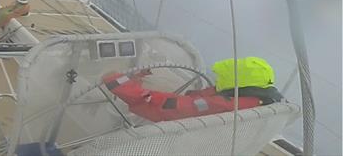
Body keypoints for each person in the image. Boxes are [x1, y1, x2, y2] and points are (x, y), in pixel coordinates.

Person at [102, 57, 283, 122]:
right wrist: (138, 78)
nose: (218, 81)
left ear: (239, 82)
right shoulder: (257, 102)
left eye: (224, 78)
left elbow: (161, 107)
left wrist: (117, 82)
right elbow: (198, 98)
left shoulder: (219, 105)